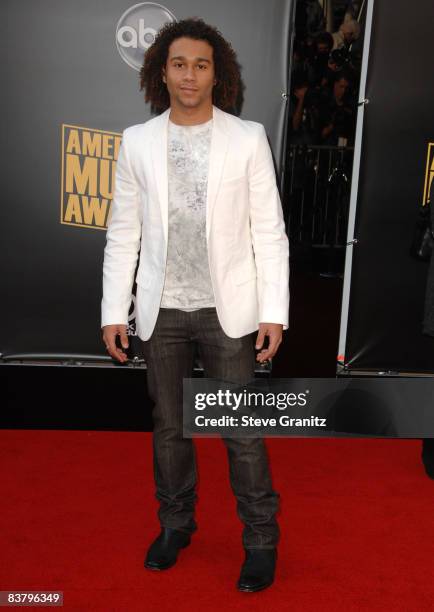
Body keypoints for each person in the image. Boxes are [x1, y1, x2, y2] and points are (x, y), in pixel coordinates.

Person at [101, 18, 290, 593]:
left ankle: (260, 540)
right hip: (161, 309)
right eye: (179, 64)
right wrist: (114, 311)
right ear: (163, 70)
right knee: (169, 428)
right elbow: (122, 232)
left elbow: (270, 232)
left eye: (201, 65)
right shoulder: (136, 141)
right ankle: (175, 525)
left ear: (218, 74)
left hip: (227, 308)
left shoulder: (248, 136)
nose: (189, 75)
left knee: (239, 430)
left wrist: (273, 311)